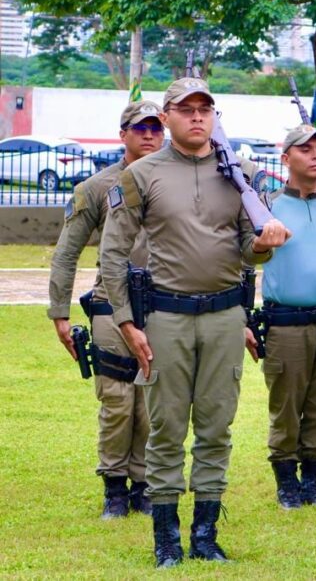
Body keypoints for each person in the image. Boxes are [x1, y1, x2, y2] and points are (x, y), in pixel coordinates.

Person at [99, 77, 290, 567]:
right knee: (166, 429)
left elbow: (250, 248)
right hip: (166, 316)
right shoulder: (142, 174)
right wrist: (125, 320)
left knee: (216, 427)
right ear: (166, 118)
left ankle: (205, 533)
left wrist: (266, 242)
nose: (198, 117)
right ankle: (167, 539)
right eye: (187, 109)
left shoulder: (239, 172)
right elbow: (114, 253)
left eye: (206, 108)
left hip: (226, 315)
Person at [48, 100, 164, 518]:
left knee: (153, 402)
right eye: (140, 128)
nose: (149, 135)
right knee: (117, 400)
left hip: (164, 303)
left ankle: (146, 485)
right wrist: (59, 312)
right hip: (110, 304)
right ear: (123, 135)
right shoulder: (97, 188)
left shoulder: (175, 180)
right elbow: (66, 253)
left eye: (155, 127)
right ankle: (115, 487)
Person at [250, 125, 316, 509]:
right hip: (286, 322)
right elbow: (244, 262)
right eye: (305, 149)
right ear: (286, 158)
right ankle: (286, 481)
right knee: (287, 405)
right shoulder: (267, 206)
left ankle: (314, 479)